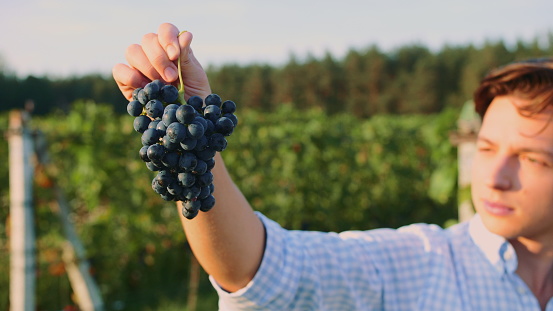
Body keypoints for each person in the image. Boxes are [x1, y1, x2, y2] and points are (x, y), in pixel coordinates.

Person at [112, 23, 553, 311]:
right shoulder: (420, 261)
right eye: (488, 148)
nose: (495, 178)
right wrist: (193, 142)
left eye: (531, 159)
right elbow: (259, 272)